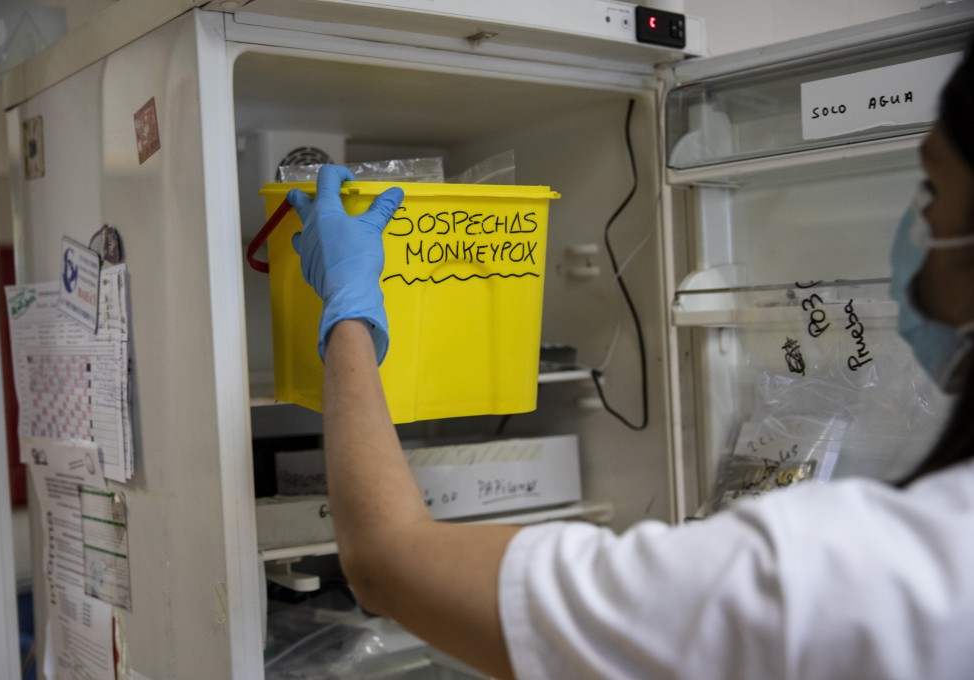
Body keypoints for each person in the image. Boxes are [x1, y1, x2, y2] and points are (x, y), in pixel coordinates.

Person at [284, 40, 974, 680]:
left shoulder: (840, 572)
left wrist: (349, 307)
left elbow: (384, 562)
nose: (915, 223)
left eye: (934, 192)